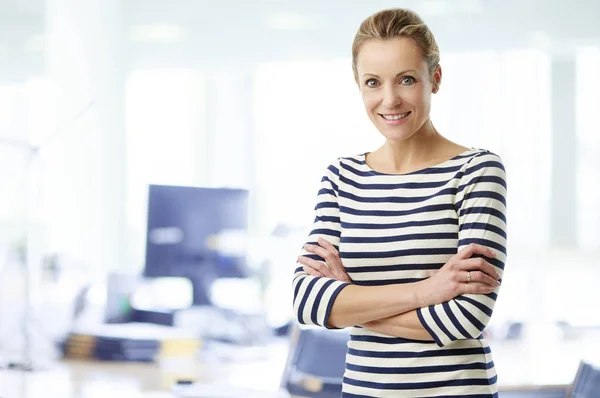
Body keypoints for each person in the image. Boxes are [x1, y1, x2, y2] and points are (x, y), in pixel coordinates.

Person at [292, 7, 507, 398]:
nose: (389, 100)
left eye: (406, 80)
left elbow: (467, 317)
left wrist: (351, 300)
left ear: (435, 79)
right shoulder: (341, 178)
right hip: (363, 391)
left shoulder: (476, 171)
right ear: (358, 85)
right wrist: (426, 292)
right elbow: (308, 302)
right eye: (373, 82)